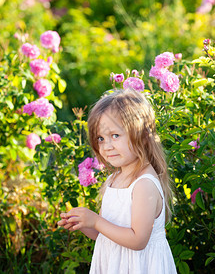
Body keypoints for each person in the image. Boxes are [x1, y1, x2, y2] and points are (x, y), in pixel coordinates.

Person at [58, 88, 177, 274]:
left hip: (140, 266)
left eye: (115, 136)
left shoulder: (143, 184)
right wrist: (84, 223)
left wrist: (96, 221)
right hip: (115, 265)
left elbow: (138, 240)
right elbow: (106, 235)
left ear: (143, 135)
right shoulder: (114, 179)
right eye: (100, 138)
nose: (107, 146)